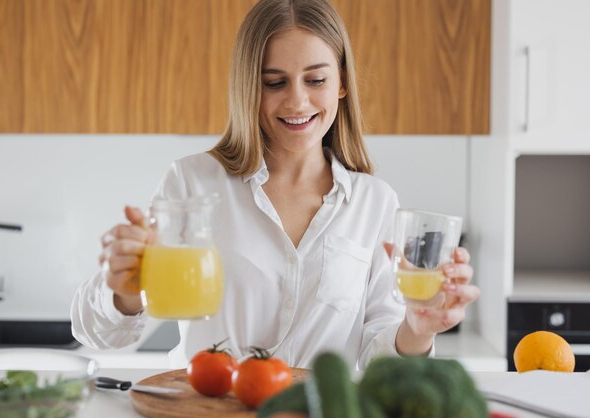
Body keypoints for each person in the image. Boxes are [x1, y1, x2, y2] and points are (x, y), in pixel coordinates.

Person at [71, 0, 479, 370]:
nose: (297, 102)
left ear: (341, 83)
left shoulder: (375, 202)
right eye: (274, 82)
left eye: (315, 80)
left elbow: (378, 356)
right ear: (249, 86)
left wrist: (419, 327)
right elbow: (97, 334)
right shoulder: (192, 183)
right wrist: (124, 291)